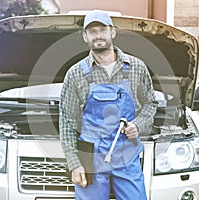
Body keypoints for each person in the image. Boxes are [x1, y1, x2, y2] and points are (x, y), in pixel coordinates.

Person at [59, 10, 157, 200]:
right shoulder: (75, 74)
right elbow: (66, 122)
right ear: (85, 37)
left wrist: (138, 125)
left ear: (112, 32)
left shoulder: (136, 67)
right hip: (90, 156)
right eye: (92, 31)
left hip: (127, 153)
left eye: (102, 29)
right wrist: (74, 163)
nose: (98, 35)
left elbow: (151, 104)